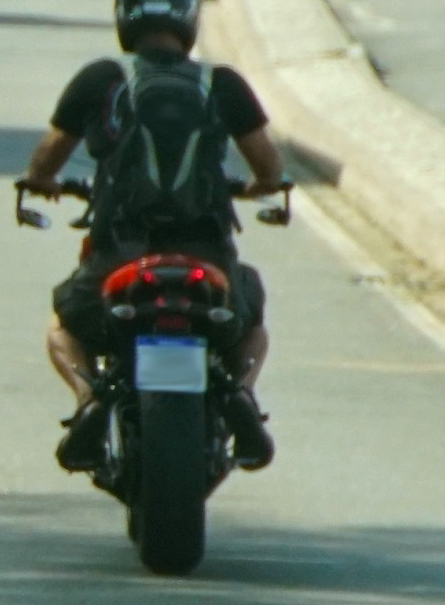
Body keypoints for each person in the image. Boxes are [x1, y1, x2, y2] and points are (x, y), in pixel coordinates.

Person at [20, 0, 293, 473]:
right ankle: (243, 395)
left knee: (64, 323)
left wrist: (41, 181)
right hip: (205, 252)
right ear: (188, 20)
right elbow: (269, 168)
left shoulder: (101, 79)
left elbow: (48, 158)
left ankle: (88, 401)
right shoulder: (222, 83)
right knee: (250, 318)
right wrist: (259, 187)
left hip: (121, 250)